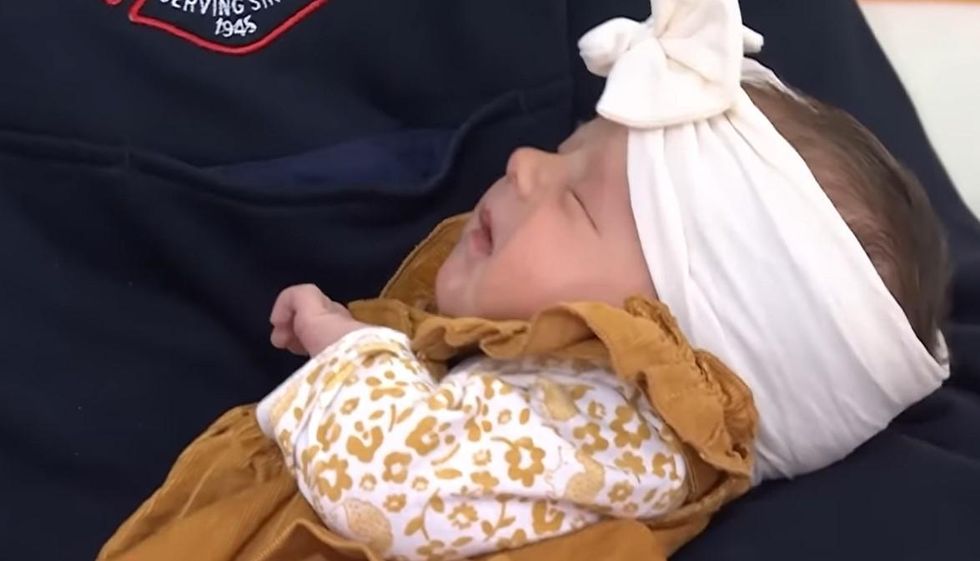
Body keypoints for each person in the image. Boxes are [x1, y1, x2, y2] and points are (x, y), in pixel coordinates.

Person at [99, 2, 950, 560]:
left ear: (680, 348)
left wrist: (347, 348)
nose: (525, 163)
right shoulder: (573, 409)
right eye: (566, 148)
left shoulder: (628, 441)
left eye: (577, 199)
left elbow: (391, 483)